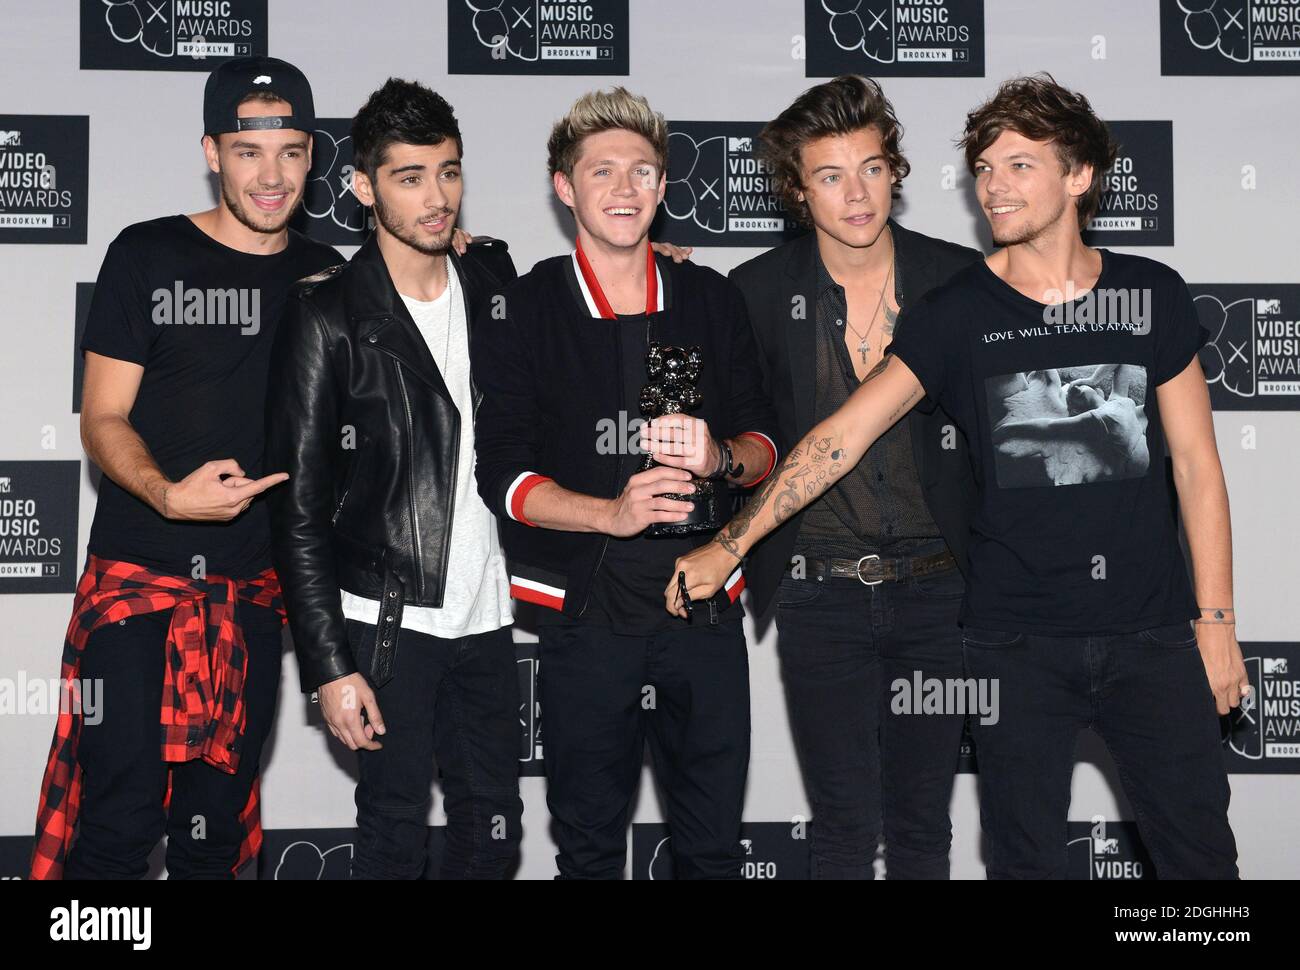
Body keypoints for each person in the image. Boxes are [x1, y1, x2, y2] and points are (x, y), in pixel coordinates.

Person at [669, 74, 1244, 880]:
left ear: (1079, 176)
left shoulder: (1151, 293)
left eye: (1018, 165)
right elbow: (840, 438)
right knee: (1019, 862)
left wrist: (1215, 621)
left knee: (1199, 864)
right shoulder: (955, 310)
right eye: (984, 168)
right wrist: (730, 545)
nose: (994, 186)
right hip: (1011, 643)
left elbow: (1198, 469)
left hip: (1149, 636)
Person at [32, 56, 342, 879]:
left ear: (313, 156)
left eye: (289, 152)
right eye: (247, 151)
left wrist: (648, 262)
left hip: (252, 600)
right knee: (116, 826)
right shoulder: (146, 254)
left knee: (214, 837)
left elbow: (446, 288)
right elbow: (101, 418)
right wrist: (168, 495)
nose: (270, 176)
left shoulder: (335, 278)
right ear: (212, 152)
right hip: (138, 586)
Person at [471, 86, 779, 879]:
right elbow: (502, 474)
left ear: (664, 187)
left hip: (703, 604)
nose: (623, 189)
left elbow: (767, 447)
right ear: (563, 187)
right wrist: (609, 513)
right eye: (601, 171)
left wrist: (719, 459)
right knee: (589, 848)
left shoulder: (711, 297)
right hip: (586, 615)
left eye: (642, 171)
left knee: (711, 848)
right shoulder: (527, 305)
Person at [265, 78, 523, 880]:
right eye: (409, 177)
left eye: (448, 171)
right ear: (363, 186)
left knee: (493, 837)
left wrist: (661, 269)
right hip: (386, 621)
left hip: (488, 614)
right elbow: (298, 511)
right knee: (391, 833)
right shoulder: (328, 316)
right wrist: (329, 668)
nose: (436, 195)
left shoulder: (495, 281)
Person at [728, 75, 981, 880]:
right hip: (818, 594)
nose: (857, 194)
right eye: (831, 176)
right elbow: (743, 431)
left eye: (871, 168)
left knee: (921, 829)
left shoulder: (960, 280)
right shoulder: (758, 292)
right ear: (799, 192)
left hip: (941, 596)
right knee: (841, 829)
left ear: (896, 170)